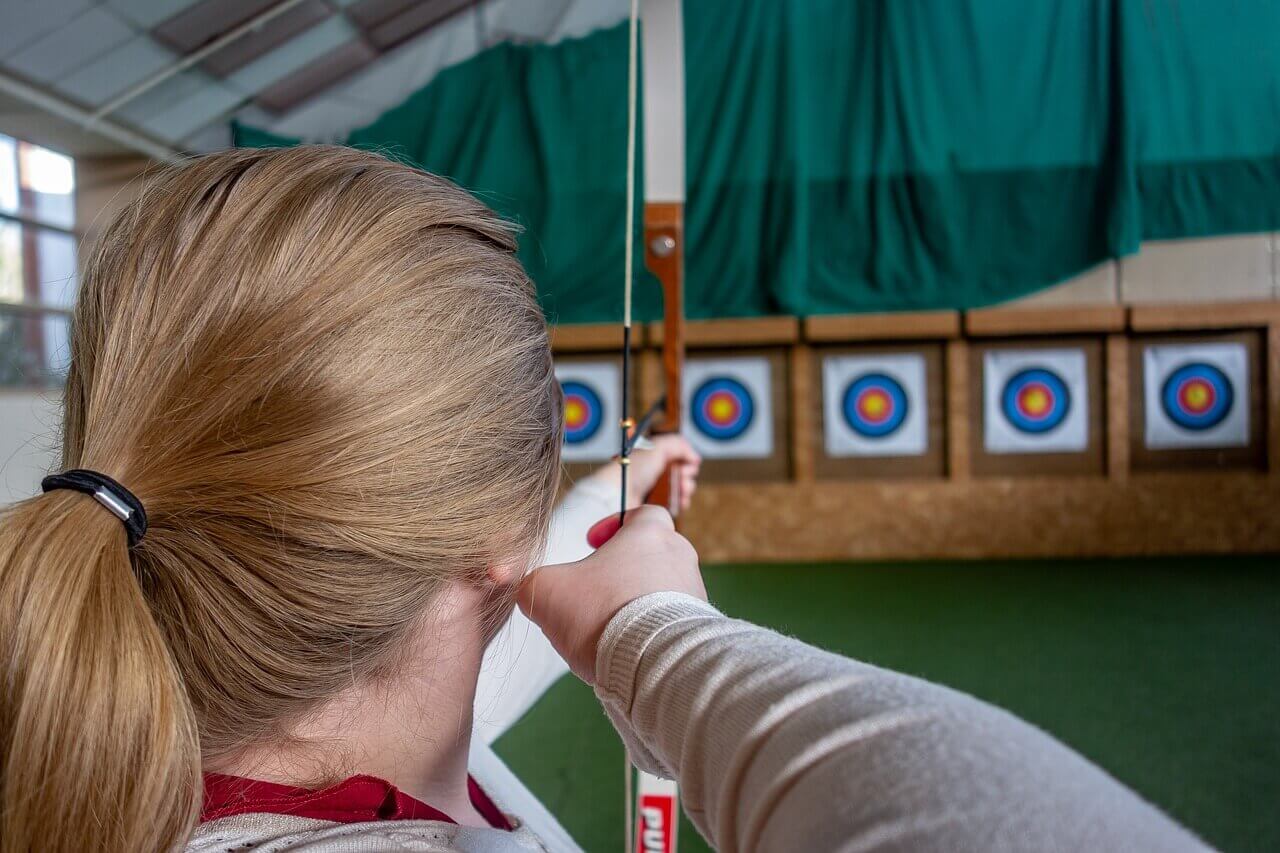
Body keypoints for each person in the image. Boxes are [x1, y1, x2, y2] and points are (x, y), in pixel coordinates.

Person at [0, 146, 1206, 853]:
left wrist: (612, 490)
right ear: (482, 535)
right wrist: (662, 638)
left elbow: (451, 647)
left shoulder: (103, 737)